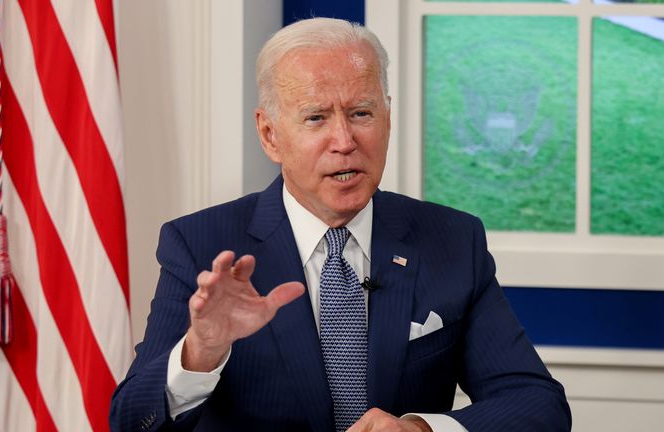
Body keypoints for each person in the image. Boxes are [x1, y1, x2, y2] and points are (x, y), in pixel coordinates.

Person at [110, 17, 571, 432]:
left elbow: (537, 405)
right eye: (316, 118)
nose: (345, 141)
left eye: (361, 114)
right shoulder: (200, 245)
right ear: (270, 135)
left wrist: (422, 431)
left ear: (387, 117)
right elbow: (132, 421)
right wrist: (200, 353)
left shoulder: (451, 240)